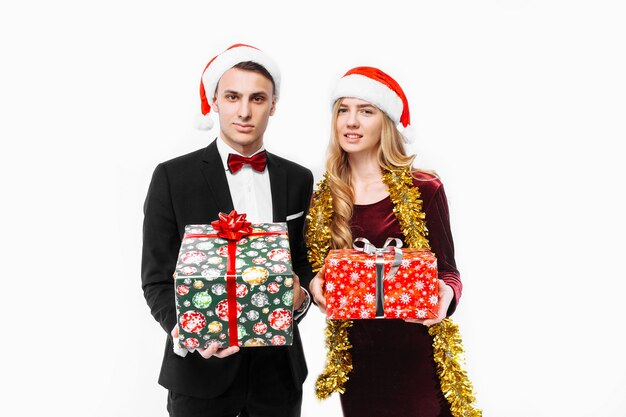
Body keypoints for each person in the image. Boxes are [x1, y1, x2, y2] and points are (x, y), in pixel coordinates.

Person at [141, 43, 314, 417]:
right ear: (214, 101)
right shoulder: (172, 177)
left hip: (278, 378)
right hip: (199, 377)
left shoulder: (299, 179)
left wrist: (300, 300)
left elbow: (303, 263)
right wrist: (189, 331)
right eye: (233, 96)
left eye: (257, 98)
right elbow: (156, 278)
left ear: (273, 105)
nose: (245, 111)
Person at [306, 66, 465, 417]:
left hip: (416, 358)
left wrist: (446, 295)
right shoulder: (325, 199)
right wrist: (317, 282)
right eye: (343, 110)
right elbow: (320, 274)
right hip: (360, 365)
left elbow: (449, 272)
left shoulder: (424, 189)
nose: (352, 122)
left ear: (386, 122)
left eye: (366, 111)